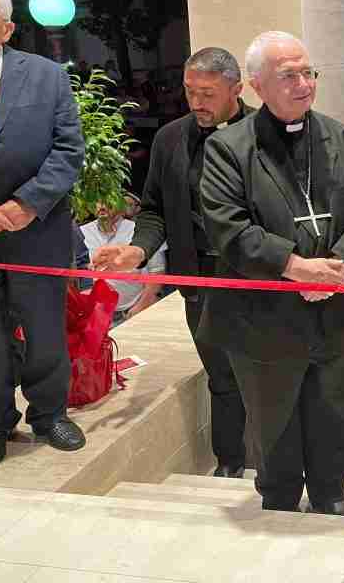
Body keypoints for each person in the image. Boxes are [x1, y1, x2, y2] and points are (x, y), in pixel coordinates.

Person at [199, 31, 344, 514]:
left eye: (308, 73)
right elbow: (228, 226)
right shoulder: (227, 148)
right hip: (264, 317)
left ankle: (331, 492)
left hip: (338, 311)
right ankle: (278, 497)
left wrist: (336, 269)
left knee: (337, 413)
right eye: (288, 76)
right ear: (257, 85)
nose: (303, 84)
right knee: (272, 419)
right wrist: (297, 268)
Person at [91, 47, 252, 478]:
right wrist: (137, 251)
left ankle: (280, 467)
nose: (197, 102)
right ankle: (230, 464)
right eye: (190, 92)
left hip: (255, 280)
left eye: (208, 94)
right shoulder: (170, 139)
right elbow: (154, 210)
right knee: (221, 375)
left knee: (267, 374)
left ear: (236, 89)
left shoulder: (264, 134)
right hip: (199, 280)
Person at [0, 0, 86, 470]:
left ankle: (49, 414)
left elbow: (69, 149)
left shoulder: (46, 76)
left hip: (37, 230)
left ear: (6, 28)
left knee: (45, 327)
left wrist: (25, 205)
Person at [81, 200, 166, 325]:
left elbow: (157, 270)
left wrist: (142, 305)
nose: (102, 206)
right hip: (95, 315)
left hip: (134, 311)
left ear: (120, 204)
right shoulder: (82, 232)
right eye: (97, 201)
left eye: (108, 201)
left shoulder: (141, 231)